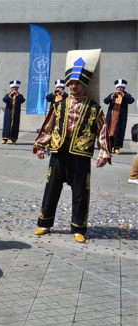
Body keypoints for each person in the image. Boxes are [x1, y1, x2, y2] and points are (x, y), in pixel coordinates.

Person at [33, 49, 111, 244]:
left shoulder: (95, 108)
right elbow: (49, 125)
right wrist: (41, 145)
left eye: (77, 83)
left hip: (80, 154)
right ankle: (45, 222)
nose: (73, 86)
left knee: (80, 192)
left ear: (84, 85)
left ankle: (78, 227)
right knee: (51, 188)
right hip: (59, 152)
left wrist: (104, 152)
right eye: (71, 83)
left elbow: (102, 130)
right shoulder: (59, 105)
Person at [103, 79, 134, 154]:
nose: (120, 89)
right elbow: (105, 101)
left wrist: (123, 95)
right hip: (111, 117)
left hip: (120, 118)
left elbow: (131, 100)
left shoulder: (126, 95)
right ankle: (109, 147)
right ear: (116, 88)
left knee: (119, 132)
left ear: (124, 88)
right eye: (119, 87)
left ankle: (117, 148)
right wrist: (111, 96)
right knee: (110, 132)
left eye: (121, 87)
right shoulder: (113, 95)